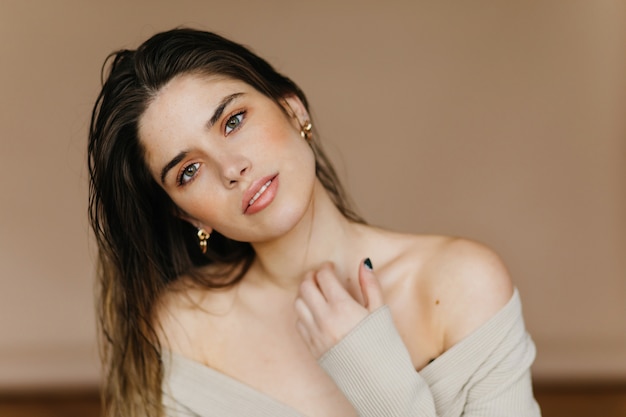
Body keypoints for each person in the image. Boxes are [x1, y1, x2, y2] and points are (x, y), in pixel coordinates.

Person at [88, 28, 541, 417]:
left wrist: (379, 381)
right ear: (185, 213)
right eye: (188, 171)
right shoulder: (187, 328)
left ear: (293, 110)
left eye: (232, 121)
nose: (230, 168)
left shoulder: (461, 284)